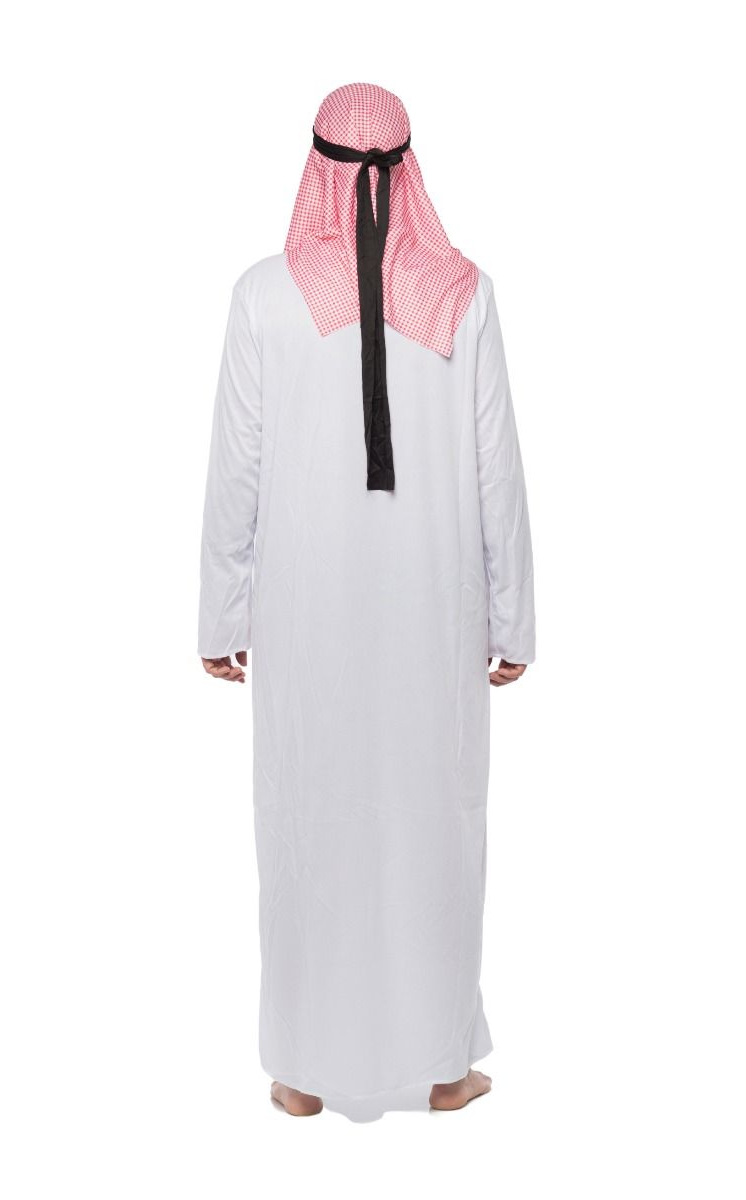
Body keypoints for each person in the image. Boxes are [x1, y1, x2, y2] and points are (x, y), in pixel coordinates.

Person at [198, 82, 535, 1121]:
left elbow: (237, 467)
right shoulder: (464, 294)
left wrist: (221, 614)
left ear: (317, 168)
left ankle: (301, 1074)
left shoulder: (263, 295)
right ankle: (442, 1069)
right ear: (406, 167)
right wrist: (512, 617)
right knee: (434, 821)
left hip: (304, 615)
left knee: (308, 816)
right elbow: (496, 468)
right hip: (434, 612)